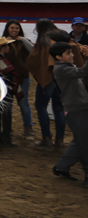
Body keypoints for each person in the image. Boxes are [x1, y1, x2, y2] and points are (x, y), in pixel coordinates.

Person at [27, 19, 85, 148]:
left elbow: (33, 59)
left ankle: (46, 138)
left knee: (41, 105)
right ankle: (60, 140)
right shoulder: (63, 35)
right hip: (63, 76)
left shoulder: (44, 40)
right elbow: (76, 47)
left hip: (48, 78)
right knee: (59, 108)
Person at [51, 42, 88, 189]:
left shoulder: (66, 67)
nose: (72, 55)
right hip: (76, 110)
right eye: (68, 53)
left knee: (81, 140)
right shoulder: (60, 69)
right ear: (58, 57)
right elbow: (82, 73)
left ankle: (62, 166)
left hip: (80, 108)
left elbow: (82, 78)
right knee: (84, 143)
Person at [2, 20, 35, 139]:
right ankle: (7, 128)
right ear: (8, 29)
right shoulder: (2, 42)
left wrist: (23, 40)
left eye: (16, 28)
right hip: (7, 78)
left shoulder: (24, 42)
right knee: (8, 104)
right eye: (12, 28)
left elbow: (33, 50)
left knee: (23, 103)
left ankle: (28, 127)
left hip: (22, 77)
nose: (14, 30)